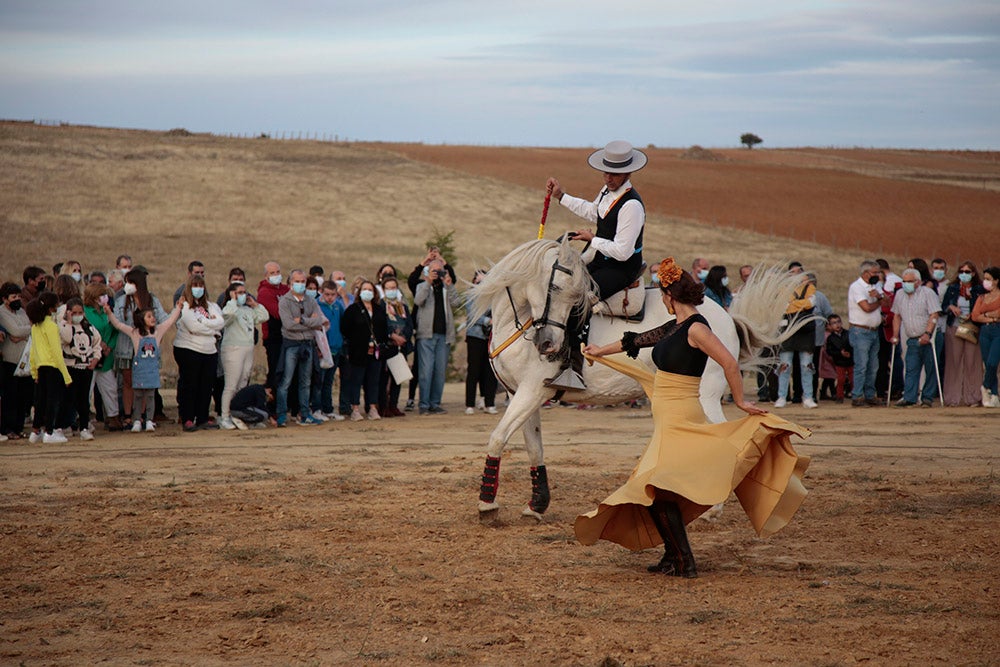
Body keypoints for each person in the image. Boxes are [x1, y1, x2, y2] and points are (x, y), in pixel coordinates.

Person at [576, 258, 810, 578]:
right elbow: (637, 339)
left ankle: (684, 561)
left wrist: (740, 401)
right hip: (668, 416)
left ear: (671, 296)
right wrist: (600, 351)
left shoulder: (697, 328)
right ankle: (674, 557)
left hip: (682, 415)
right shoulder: (675, 326)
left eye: (663, 295)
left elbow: (728, 362)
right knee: (659, 490)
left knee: (654, 487)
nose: (661, 300)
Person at [544, 140, 647, 390]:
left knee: (578, 300)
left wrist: (593, 239)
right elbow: (594, 212)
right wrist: (561, 196)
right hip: (601, 259)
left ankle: (574, 369)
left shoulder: (632, 205)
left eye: (614, 173)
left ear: (628, 173)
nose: (609, 177)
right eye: (606, 172)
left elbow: (623, 251)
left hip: (621, 269)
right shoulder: (606, 192)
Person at [106, 301, 182, 432]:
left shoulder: (157, 332)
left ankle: (149, 420)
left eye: (153, 316)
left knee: (150, 397)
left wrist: (178, 307)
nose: (153, 318)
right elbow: (118, 325)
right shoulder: (135, 333)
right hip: (139, 371)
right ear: (141, 320)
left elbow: (170, 321)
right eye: (149, 316)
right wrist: (109, 313)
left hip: (152, 371)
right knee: (138, 396)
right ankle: (137, 420)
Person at [113, 270, 168, 425]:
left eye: (130, 282)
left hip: (147, 349)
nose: (127, 286)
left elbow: (163, 319)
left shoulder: (152, 300)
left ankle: (144, 415)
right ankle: (128, 414)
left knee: (146, 382)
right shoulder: (122, 301)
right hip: (126, 346)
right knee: (128, 382)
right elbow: (116, 321)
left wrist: (158, 339)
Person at [174, 276, 225, 431]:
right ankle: (188, 418)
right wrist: (212, 328)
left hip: (209, 350)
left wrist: (205, 324)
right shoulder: (185, 306)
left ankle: (202, 417)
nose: (198, 288)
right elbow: (193, 326)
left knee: (206, 386)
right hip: (189, 349)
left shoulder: (211, 306)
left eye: (201, 285)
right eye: (195, 285)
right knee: (190, 385)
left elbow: (221, 322)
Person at [276, 270, 327, 426]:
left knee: (306, 381)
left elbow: (320, 320)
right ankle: (282, 415)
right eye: (297, 281)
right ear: (290, 283)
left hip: (308, 344)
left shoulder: (311, 301)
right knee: (286, 381)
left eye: (303, 281)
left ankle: (304, 414)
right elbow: (288, 325)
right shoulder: (284, 301)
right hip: (291, 344)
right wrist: (309, 323)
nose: (300, 284)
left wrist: (302, 321)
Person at [413, 258, 460, 414]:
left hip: (444, 336)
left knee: (439, 371)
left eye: (440, 270)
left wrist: (450, 284)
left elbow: (456, 303)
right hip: (426, 335)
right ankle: (424, 405)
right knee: (426, 371)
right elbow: (418, 300)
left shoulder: (447, 288)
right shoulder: (422, 286)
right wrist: (428, 282)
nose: (438, 273)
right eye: (435, 271)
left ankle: (434, 403)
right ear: (428, 271)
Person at [218, 282, 268, 430]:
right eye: (239, 292)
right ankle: (225, 416)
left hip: (248, 348)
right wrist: (233, 300)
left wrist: (254, 304)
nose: (243, 295)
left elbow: (263, 316)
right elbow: (228, 315)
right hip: (233, 348)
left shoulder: (247, 310)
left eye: (244, 292)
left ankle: (239, 414)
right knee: (231, 384)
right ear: (232, 293)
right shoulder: (228, 308)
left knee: (243, 382)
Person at [890, 268, 942, 407]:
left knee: (931, 368)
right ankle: (909, 397)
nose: (906, 284)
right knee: (911, 368)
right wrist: (895, 335)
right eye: (904, 281)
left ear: (918, 282)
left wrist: (928, 333)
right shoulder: (900, 294)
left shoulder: (928, 293)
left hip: (930, 338)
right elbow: (897, 315)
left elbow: (934, 314)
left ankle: (927, 398)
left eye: (909, 281)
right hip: (912, 337)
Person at [26, 292, 72, 444]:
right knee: (52, 400)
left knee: (40, 400)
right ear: (52, 308)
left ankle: (35, 431)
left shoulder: (35, 327)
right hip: (52, 367)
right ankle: (49, 432)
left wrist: (34, 371)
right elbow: (57, 353)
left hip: (40, 367)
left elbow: (32, 352)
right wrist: (66, 376)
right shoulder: (51, 326)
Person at [340, 279, 389, 421]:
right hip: (358, 351)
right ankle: (355, 408)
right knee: (356, 379)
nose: (367, 292)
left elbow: (384, 329)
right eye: (364, 289)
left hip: (376, 351)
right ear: (360, 292)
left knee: (373, 380)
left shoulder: (379, 309)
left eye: (370, 290)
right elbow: (345, 329)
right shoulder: (353, 309)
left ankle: (372, 407)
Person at [941, 262, 985, 406]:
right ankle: (952, 398)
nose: (964, 274)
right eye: (962, 271)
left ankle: (973, 397)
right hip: (954, 326)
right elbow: (943, 306)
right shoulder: (953, 288)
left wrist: (970, 299)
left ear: (973, 273)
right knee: (954, 361)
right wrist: (951, 307)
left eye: (967, 271)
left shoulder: (979, 289)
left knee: (972, 361)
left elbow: (982, 307)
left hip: (972, 328)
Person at [58, 297, 103, 440]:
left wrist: (95, 359)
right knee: (68, 398)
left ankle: (84, 427)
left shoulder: (89, 328)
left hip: (86, 367)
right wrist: (69, 322)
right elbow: (66, 338)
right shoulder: (63, 327)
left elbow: (97, 343)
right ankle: (64, 425)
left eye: (80, 312)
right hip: (71, 367)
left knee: (84, 399)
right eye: (74, 312)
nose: (78, 315)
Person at [848, 260, 889, 407]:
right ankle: (857, 395)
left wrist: (879, 297)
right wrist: (879, 301)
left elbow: (888, 302)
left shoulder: (876, 285)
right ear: (865, 273)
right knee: (862, 365)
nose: (878, 275)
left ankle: (870, 395)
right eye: (875, 272)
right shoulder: (856, 287)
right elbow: (866, 307)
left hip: (873, 331)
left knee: (873, 366)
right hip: (860, 331)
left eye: (878, 272)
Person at [775, 271, 818, 409]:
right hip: (787, 330)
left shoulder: (810, 287)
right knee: (784, 365)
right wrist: (801, 304)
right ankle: (781, 396)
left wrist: (793, 304)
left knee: (807, 366)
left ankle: (808, 396)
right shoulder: (783, 287)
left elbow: (811, 302)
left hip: (805, 330)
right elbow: (783, 306)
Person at [83, 283, 122, 431]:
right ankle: (83, 419)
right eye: (101, 295)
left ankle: (113, 417)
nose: (105, 297)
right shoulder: (86, 312)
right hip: (90, 357)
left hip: (106, 358)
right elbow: (86, 331)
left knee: (110, 388)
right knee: (87, 389)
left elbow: (115, 330)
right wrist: (99, 345)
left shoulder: (107, 311)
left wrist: (109, 345)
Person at [0, 282, 32, 440]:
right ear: (5, 299)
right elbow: (15, 330)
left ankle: (18, 428)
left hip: (24, 361)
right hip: (10, 360)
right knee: (10, 397)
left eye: (19, 296)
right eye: (14, 297)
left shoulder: (21, 312)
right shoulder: (2, 313)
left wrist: (20, 336)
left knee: (22, 397)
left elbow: (30, 326)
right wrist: (22, 333)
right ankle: (8, 428)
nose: (17, 299)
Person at [464, 270, 498, 415]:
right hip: (475, 336)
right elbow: (473, 314)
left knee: (490, 371)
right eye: (479, 281)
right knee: (474, 370)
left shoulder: (493, 295)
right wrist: (488, 320)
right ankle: (469, 404)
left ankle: (489, 402)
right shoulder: (472, 295)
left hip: (491, 336)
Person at [379, 275, 413, 417]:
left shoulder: (402, 307)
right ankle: (383, 406)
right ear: (384, 290)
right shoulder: (380, 306)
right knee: (384, 378)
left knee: (397, 378)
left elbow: (410, 325)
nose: (391, 290)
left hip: (400, 347)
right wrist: (392, 336)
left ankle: (394, 405)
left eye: (394, 288)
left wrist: (403, 337)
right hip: (387, 346)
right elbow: (380, 325)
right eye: (388, 288)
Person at [314, 280, 349, 421]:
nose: (330, 297)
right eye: (327, 294)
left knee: (328, 381)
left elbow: (343, 325)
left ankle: (328, 409)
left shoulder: (337, 306)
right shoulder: (316, 306)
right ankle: (316, 408)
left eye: (333, 295)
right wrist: (318, 347)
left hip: (335, 349)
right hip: (322, 350)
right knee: (318, 381)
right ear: (321, 292)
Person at [257, 261, 289, 392]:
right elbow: (279, 313)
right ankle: (272, 405)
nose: (276, 275)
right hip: (273, 337)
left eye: (277, 272)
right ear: (266, 276)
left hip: (287, 335)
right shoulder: (264, 292)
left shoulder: (285, 289)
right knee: (275, 370)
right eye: (272, 273)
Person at [970, 266, 1000, 407]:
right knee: (987, 363)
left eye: (989, 279)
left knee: (993, 362)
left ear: (996, 280)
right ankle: (994, 394)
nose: (985, 282)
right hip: (985, 331)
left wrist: (986, 315)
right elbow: (975, 316)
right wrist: (991, 317)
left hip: (997, 331)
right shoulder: (982, 297)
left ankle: (985, 386)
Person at [824, 314, 853, 403]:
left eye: (838, 322)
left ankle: (856, 395)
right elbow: (829, 351)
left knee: (853, 379)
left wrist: (850, 353)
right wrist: (840, 353)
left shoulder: (848, 333)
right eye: (833, 323)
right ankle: (839, 396)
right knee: (841, 380)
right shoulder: (830, 338)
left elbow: (853, 346)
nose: (837, 325)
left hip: (850, 361)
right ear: (829, 326)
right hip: (839, 362)